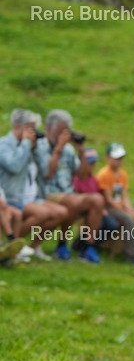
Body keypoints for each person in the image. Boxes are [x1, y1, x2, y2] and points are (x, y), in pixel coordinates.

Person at [34, 109, 104, 264]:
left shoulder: (68, 149)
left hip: (67, 193)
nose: (64, 135)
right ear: (50, 129)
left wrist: (81, 151)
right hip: (46, 192)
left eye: (66, 131)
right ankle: (61, 245)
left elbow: (83, 175)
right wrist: (58, 149)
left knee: (97, 200)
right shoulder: (39, 146)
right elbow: (47, 174)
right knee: (71, 201)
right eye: (60, 131)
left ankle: (88, 247)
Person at [0, 109, 64, 263]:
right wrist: (26, 145)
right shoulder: (4, 145)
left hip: (27, 197)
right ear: (18, 127)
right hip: (9, 197)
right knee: (41, 214)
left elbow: (45, 172)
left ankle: (30, 247)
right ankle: (14, 247)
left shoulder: (28, 145)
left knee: (60, 212)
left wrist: (35, 150)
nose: (34, 132)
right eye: (31, 128)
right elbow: (14, 166)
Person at [96, 142, 134, 266]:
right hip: (109, 208)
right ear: (108, 158)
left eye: (121, 158)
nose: (119, 161)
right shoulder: (104, 174)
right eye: (116, 158)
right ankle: (132, 256)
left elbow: (124, 195)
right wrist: (126, 212)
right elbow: (109, 199)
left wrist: (130, 209)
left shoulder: (123, 174)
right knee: (129, 220)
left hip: (121, 207)